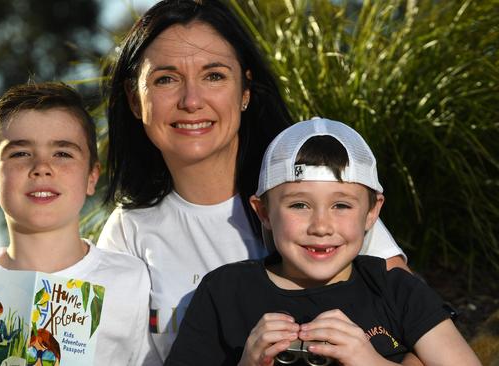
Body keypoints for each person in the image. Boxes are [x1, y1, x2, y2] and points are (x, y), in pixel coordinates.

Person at [97, 0, 409, 362]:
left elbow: (421, 343)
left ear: (245, 91)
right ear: (136, 101)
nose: (191, 100)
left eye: (214, 75)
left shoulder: (313, 193)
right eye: (166, 79)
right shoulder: (127, 233)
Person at [165, 118, 481, 366]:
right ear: (263, 213)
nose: (320, 226)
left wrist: (369, 361)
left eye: (341, 205)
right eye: (299, 205)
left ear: (372, 212)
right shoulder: (225, 291)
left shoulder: (396, 290)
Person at [0, 82, 157, 366]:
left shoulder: (133, 280)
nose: (42, 166)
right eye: (20, 153)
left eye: (63, 153)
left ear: (92, 176)